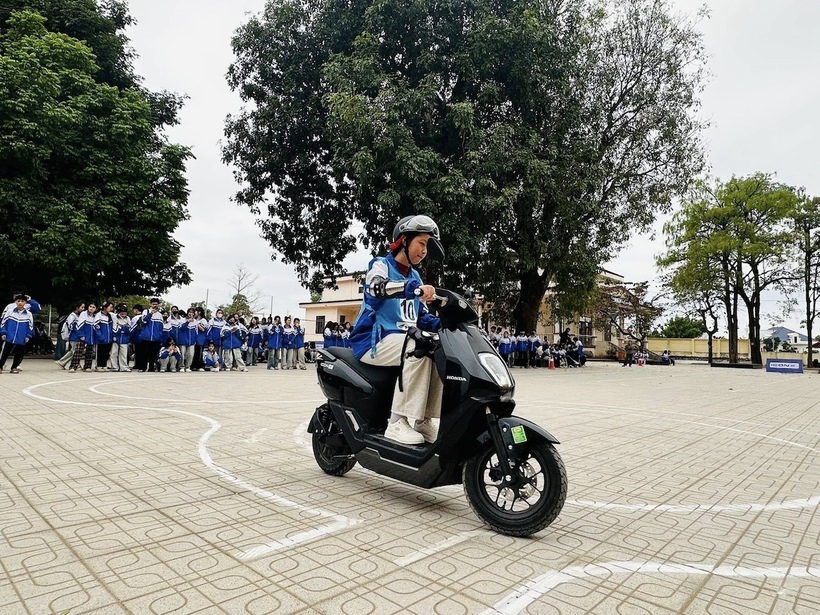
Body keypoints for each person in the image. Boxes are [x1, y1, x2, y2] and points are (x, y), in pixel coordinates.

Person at [349, 214, 445, 445]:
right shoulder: (381, 265)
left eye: (427, 246)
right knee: (418, 345)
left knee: (439, 345)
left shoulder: (415, 276)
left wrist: (444, 324)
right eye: (421, 243)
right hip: (373, 340)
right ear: (403, 240)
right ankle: (396, 422)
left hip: (401, 340)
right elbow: (376, 289)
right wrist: (409, 288)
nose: (424, 251)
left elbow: (419, 316)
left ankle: (423, 420)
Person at [0, 294, 35, 374]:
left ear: (25, 303)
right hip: (9, 336)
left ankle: (14, 367)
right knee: (5, 352)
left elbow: (30, 327)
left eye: (22, 301)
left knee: (19, 354)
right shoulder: (10, 312)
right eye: (18, 301)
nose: (20, 303)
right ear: (15, 302)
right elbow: (3, 323)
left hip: (21, 337)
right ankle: (0, 366)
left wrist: (28, 336)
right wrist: (3, 333)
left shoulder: (28, 314)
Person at [137, 298, 164, 372]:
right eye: (153, 304)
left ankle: (151, 368)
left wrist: (159, 336)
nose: (155, 306)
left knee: (153, 354)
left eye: (156, 304)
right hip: (146, 337)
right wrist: (150, 314)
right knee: (144, 353)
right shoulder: (146, 311)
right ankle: (143, 367)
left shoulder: (160, 315)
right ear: (150, 304)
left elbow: (161, 327)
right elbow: (143, 321)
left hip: (155, 338)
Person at [69, 303, 97, 372]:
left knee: (89, 351)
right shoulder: (83, 314)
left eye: (93, 307)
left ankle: (87, 366)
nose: (91, 308)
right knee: (78, 351)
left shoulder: (95, 316)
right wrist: (81, 335)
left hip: (91, 336)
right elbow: (79, 325)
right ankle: (73, 366)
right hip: (83, 336)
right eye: (90, 306)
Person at [57, 302, 85, 369]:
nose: (83, 309)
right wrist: (77, 331)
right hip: (74, 336)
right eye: (82, 307)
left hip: (77, 336)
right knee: (75, 351)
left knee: (73, 351)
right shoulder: (72, 315)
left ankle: (62, 362)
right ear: (77, 307)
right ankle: (73, 363)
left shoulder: (79, 316)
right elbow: (70, 326)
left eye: (84, 307)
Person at [94, 302, 115, 371]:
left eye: (112, 307)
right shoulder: (99, 315)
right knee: (100, 352)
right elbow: (96, 327)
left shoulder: (110, 316)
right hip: (101, 338)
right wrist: (100, 336)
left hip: (109, 338)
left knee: (106, 353)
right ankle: (99, 365)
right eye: (110, 307)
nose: (111, 308)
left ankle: (104, 365)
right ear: (105, 307)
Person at [111, 304, 131, 372]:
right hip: (116, 337)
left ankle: (123, 367)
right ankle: (114, 367)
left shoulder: (128, 318)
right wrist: (115, 335)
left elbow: (129, 328)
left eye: (125, 313)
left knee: (124, 354)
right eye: (122, 313)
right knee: (114, 353)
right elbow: (114, 328)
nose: (123, 315)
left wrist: (124, 329)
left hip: (124, 338)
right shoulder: (115, 317)